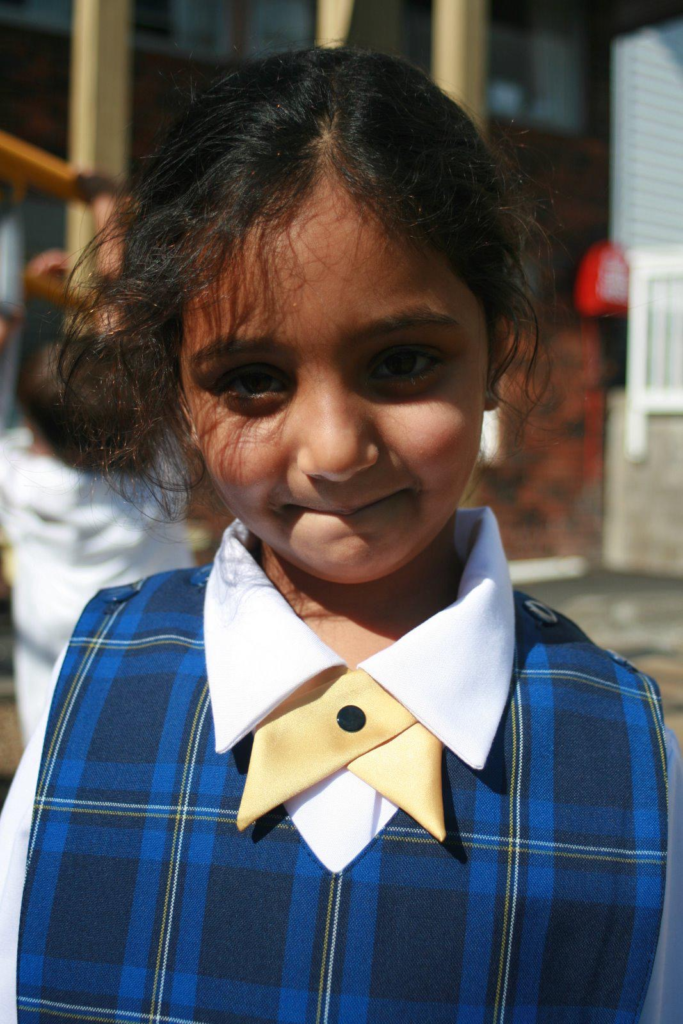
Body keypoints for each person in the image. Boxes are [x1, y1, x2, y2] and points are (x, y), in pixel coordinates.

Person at [0, 47, 679, 1022]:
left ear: (495, 348)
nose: (332, 448)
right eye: (251, 380)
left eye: (401, 361)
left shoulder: (624, 757)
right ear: (177, 392)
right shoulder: (88, 694)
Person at [0, 276, 194, 743]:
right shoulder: (164, 474)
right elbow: (135, 368)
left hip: (57, 669)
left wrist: (8, 324)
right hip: (156, 648)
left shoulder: (20, 483)